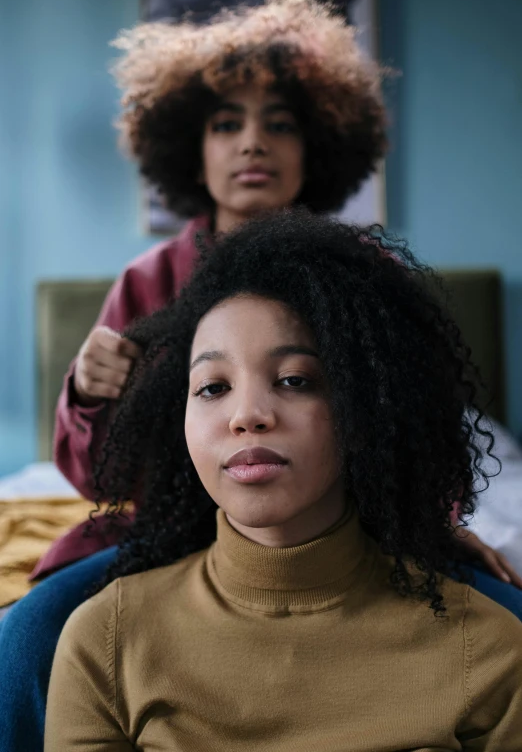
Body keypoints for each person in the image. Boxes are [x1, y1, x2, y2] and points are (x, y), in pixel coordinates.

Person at [0, 0, 520, 752]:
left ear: (316, 147)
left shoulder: (367, 276)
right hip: (168, 532)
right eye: (225, 124)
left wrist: (437, 525)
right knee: (27, 635)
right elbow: (94, 472)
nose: (252, 142)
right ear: (190, 151)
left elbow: (411, 424)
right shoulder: (147, 283)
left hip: (352, 525)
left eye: (279, 124)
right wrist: (84, 393)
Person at [44, 210, 522, 750]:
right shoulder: (101, 643)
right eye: (211, 388)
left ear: (367, 405)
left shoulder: (489, 649)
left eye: (295, 380)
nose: (247, 414)